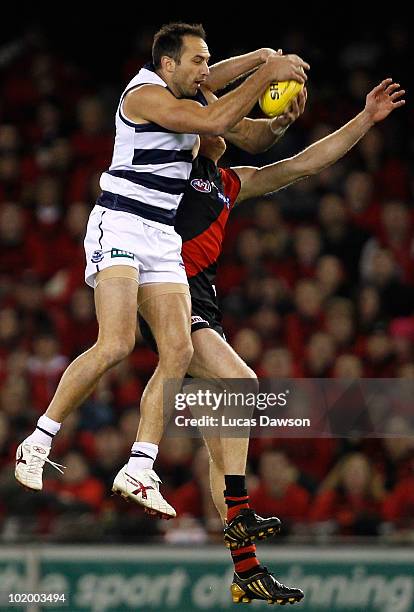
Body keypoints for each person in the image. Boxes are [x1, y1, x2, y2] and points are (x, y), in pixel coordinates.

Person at [15, 21, 310, 520]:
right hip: (122, 224)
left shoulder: (189, 93)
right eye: (196, 61)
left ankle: (139, 468)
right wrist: (264, 75)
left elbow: (247, 132)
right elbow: (218, 120)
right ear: (167, 64)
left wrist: (262, 64)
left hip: (161, 237)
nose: (204, 71)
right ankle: (38, 441)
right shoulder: (145, 95)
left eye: (206, 61)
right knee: (116, 343)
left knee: (178, 348)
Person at [140, 78, 405, 604]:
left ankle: (245, 570)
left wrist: (364, 119)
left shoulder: (228, 183)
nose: (224, 129)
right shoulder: (168, 172)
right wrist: (257, 74)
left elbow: (304, 165)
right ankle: (240, 510)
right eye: (217, 124)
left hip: (204, 306)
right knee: (243, 381)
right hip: (168, 299)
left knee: (221, 444)